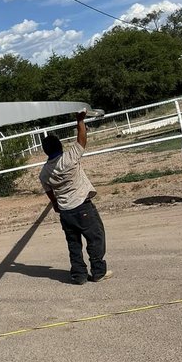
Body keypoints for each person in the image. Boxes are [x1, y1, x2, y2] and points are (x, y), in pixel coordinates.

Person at [39, 110, 112, 285]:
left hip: (65, 211)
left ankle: (78, 275)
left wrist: (56, 205)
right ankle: (98, 271)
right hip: (82, 205)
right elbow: (81, 139)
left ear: (45, 151)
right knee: (95, 238)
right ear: (60, 146)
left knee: (74, 244)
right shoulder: (69, 158)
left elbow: (50, 192)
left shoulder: (44, 172)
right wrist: (80, 120)